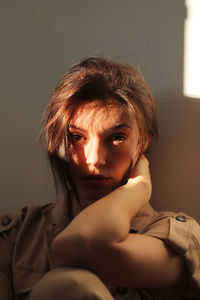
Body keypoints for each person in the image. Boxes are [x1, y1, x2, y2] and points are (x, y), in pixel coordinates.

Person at [0, 56, 199, 300]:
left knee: (67, 285)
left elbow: (82, 245)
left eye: (116, 138)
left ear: (143, 140)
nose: (94, 158)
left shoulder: (176, 236)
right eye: (77, 137)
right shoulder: (16, 235)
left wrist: (137, 189)